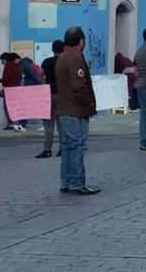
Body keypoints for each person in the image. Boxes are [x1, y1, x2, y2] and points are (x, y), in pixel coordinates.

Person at [56, 26, 100, 195]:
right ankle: (77, 182)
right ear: (81, 41)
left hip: (65, 108)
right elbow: (79, 86)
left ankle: (65, 182)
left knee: (68, 147)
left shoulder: (62, 57)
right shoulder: (75, 59)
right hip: (76, 110)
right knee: (77, 147)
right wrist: (90, 104)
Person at [36, 40, 64, 159]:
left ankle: (47, 150)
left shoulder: (47, 62)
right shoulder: (66, 62)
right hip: (63, 95)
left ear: (52, 50)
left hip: (49, 95)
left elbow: (40, 74)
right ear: (63, 49)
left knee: (48, 125)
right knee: (62, 124)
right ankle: (63, 148)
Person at [0, 52, 25, 131]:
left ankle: (10, 123)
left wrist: (2, 82)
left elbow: (6, 78)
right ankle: (21, 123)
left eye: (2, 60)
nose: (2, 62)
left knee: (7, 107)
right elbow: (20, 77)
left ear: (6, 59)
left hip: (9, 89)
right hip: (17, 89)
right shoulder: (18, 66)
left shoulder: (8, 66)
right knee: (17, 106)